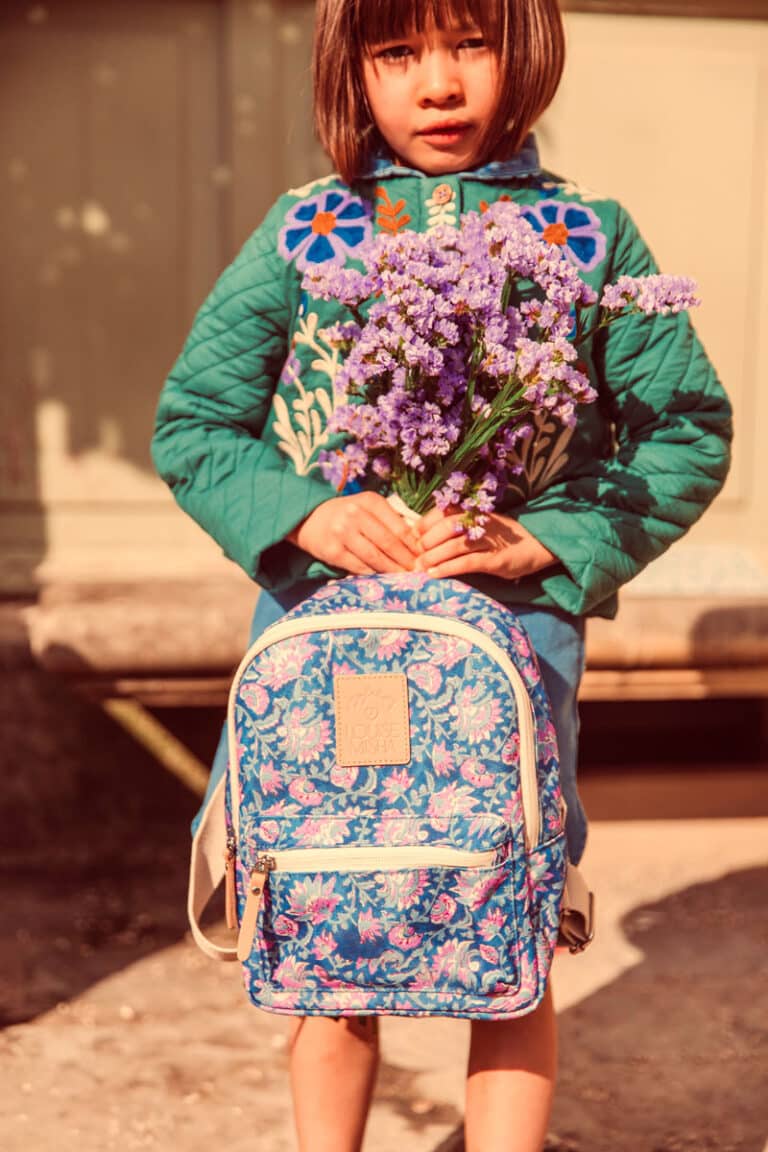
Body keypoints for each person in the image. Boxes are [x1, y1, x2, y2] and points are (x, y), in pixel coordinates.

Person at [152, 1, 732, 1149]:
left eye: (471, 43)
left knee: (511, 918)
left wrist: (549, 539)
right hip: (328, 637)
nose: (440, 84)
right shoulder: (308, 230)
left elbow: (684, 432)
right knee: (326, 909)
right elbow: (197, 424)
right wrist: (310, 514)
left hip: (507, 642)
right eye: (398, 53)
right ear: (350, 71)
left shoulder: (588, 236)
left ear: (525, 53)